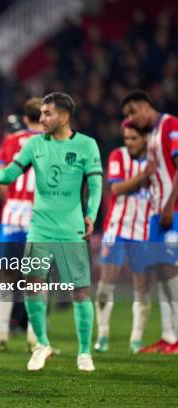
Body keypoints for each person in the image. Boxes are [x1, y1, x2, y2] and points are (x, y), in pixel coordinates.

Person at [0, 92, 103, 371]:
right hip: (40, 227)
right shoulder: (34, 145)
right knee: (33, 285)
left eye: (47, 113)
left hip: (72, 229)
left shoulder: (87, 145)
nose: (41, 118)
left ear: (64, 116)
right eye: (41, 113)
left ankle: (84, 352)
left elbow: (96, 185)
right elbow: (7, 175)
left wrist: (90, 215)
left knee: (79, 291)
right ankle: (41, 344)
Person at [0, 98, 44, 352]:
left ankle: (1, 334)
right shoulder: (50, 143)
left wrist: (14, 199)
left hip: (12, 217)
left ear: (25, 117)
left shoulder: (10, 141)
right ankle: (35, 338)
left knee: (6, 275)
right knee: (36, 277)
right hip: (41, 215)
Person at [121, 89, 178, 354]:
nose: (132, 119)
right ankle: (168, 337)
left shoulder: (170, 125)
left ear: (145, 106)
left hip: (171, 211)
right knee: (161, 274)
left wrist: (169, 205)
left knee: (171, 271)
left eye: (132, 112)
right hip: (157, 214)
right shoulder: (153, 134)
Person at [95, 120, 156, 354]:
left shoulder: (156, 161)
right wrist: (144, 176)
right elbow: (116, 188)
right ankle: (102, 335)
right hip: (116, 229)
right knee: (104, 286)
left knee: (142, 286)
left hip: (144, 231)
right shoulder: (118, 156)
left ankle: (136, 339)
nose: (129, 142)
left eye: (134, 138)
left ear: (145, 139)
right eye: (126, 138)